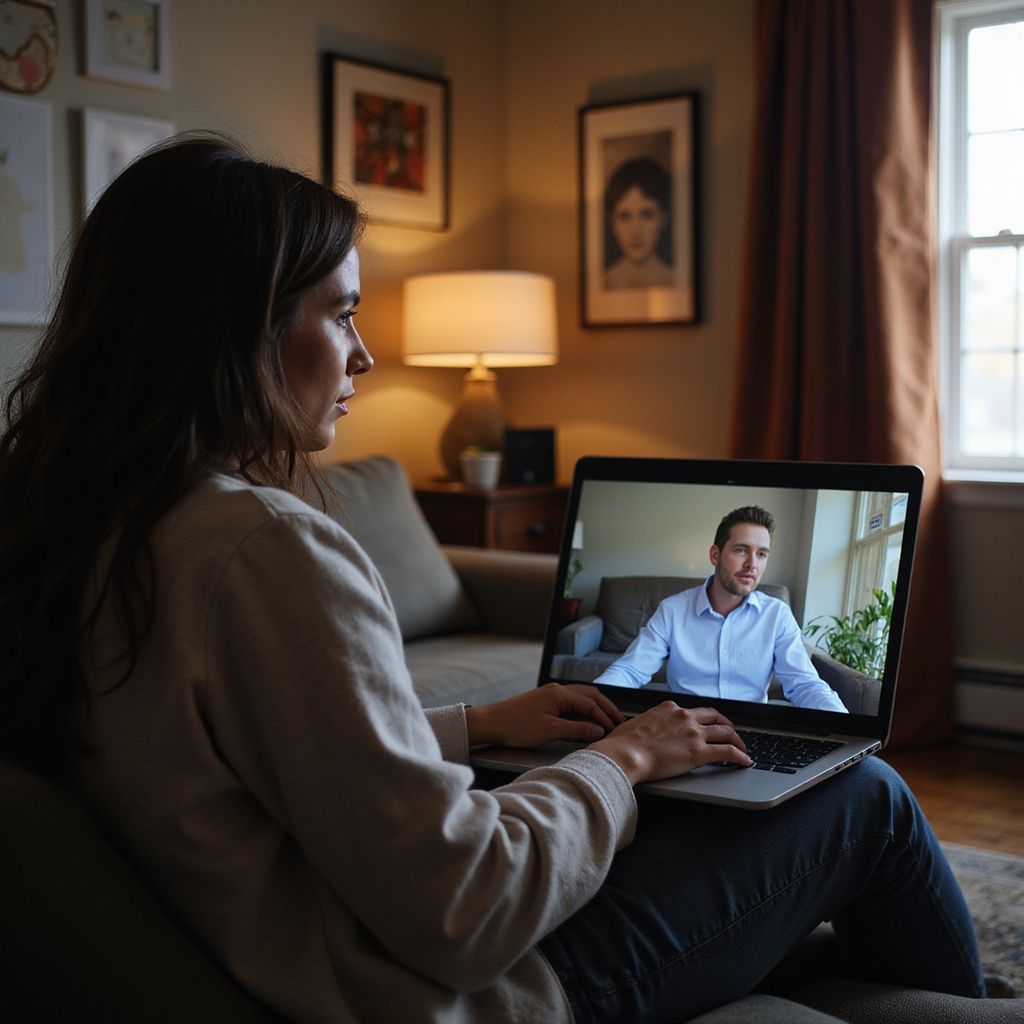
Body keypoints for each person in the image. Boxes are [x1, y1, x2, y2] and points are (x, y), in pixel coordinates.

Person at [0, 135, 984, 1023]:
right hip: (467, 993)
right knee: (869, 799)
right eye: (341, 314)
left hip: (329, 947)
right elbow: (463, 907)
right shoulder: (260, 549)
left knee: (738, 808)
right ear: (239, 330)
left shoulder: (83, 526)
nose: (366, 353)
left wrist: (476, 728)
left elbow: (250, 770)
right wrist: (626, 757)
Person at [595, 506, 850, 712]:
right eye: (741, 550)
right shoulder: (672, 610)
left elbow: (804, 684)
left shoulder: (777, 615)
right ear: (715, 555)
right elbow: (629, 670)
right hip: (683, 731)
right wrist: (590, 702)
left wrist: (843, 725)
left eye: (762, 554)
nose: (752, 564)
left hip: (752, 732)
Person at [602, 156, 673, 289]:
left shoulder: (674, 280)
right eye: (624, 217)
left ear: (663, 219)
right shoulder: (604, 282)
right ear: (612, 222)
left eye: (646, 215)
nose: (636, 230)